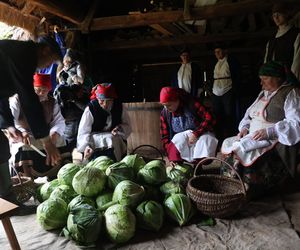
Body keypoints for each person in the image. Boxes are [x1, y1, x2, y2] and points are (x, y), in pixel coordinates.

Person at [221, 61, 300, 198]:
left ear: (278, 78)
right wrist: (245, 127)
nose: (261, 83)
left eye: (264, 79)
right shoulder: (264, 93)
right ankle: (231, 185)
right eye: (260, 79)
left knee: (243, 152)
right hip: (253, 135)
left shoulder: (291, 92)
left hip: (273, 138)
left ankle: (249, 190)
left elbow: (296, 123)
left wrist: (270, 132)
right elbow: (249, 114)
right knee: (230, 143)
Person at [0, 36, 62, 200]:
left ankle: (7, 199)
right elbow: (28, 99)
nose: (49, 66)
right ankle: (6, 201)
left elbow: (1, 93)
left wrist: (8, 125)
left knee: (1, 148)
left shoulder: (20, 54)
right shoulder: (23, 54)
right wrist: (46, 141)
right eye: (51, 61)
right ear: (45, 50)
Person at [9, 73, 68, 178]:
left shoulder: (52, 102)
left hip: (45, 135)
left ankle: (55, 173)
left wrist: (54, 133)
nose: (40, 93)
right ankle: (26, 177)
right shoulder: (17, 99)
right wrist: (22, 131)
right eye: (37, 90)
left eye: (44, 90)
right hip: (23, 135)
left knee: (62, 140)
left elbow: (59, 121)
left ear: (49, 89)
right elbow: (11, 120)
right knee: (23, 146)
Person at [160, 86, 218, 164]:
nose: (167, 108)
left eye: (169, 105)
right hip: (183, 139)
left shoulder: (191, 104)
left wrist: (196, 133)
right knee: (177, 139)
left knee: (206, 140)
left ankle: (198, 165)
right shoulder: (165, 113)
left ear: (177, 100)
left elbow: (210, 118)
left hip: (201, 133)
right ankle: (178, 163)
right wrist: (170, 156)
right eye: (164, 105)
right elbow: (165, 137)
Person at [77, 83, 131, 161]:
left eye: (108, 101)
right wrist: (86, 146)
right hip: (95, 141)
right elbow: (83, 131)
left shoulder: (119, 107)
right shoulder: (91, 109)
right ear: (97, 98)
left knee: (113, 139)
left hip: (114, 139)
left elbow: (127, 125)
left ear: (113, 99)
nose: (105, 104)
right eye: (101, 101)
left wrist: (119, 128)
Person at [54, 49, 89, 150]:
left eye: (68, 62)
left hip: (76, 92)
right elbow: (60, 81)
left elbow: (81, 80)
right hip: (66, 105)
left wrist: (71, 74)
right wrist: (61, 74)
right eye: (65, 62)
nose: (66, 64)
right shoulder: (62, 68)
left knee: (73, 136)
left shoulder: (78, 66)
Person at [211, 44, 240, 142]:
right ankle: (219, 138)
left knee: (229, 114)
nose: (217, 54)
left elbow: (237, 75)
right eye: (215, 52)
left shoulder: (231, 61)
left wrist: (234, 89)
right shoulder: (215, 64)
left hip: (228, 89)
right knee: (217, 114)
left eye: (219, 51)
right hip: (216, 90)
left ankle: (231, 137)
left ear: (225, 51)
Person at [264, 3, 300, 80]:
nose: (276, 17)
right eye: (274, 16)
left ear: (286, 14)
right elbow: (266, 62)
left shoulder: (296, 34)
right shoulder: (271, 40)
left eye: (278, 14)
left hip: (289, 81)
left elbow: (297, 62)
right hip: (274, 82)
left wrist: (292, 81)